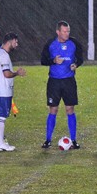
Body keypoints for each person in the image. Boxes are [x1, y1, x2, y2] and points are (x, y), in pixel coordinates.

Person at [40, 20, 84, 149]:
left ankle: (74, 140)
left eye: (68, 31)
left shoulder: (74, 43)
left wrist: (75, 65)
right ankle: (48, 140)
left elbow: (80, 58)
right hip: (54, 81)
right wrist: (53, 60)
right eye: (64, 31)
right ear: (58, 32)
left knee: (70, 109)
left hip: (69, 81)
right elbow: (43, 60)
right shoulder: (50, 44)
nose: (67, 33)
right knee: (53, 109)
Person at [0, 33, 26, 151]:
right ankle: (0, 143)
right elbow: (6, 74)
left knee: (0, 116)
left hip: (0, 90)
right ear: (10, 41)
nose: (17, 44)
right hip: (2, 91)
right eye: (15, 42)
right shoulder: (3, 56)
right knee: (1, 116)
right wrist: (17, 73)